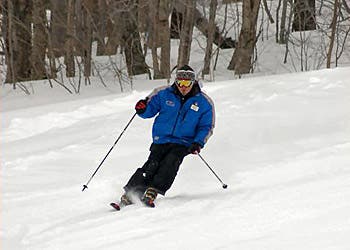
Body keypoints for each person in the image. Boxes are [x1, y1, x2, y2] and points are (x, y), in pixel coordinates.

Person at [119, 65, 215, 208]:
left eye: (186, 83)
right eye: (180, 82)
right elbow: (148, 111)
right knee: (152, 163)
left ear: (193, 82)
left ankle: (154, 189)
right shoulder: (163, 93)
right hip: (162, 138)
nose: (183, 87)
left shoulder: (204, 102)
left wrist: (198, 142)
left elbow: (206, 126)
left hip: (184, 142)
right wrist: (142, 108)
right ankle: (132, 192)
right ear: (176, 81)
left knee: (170, 162)